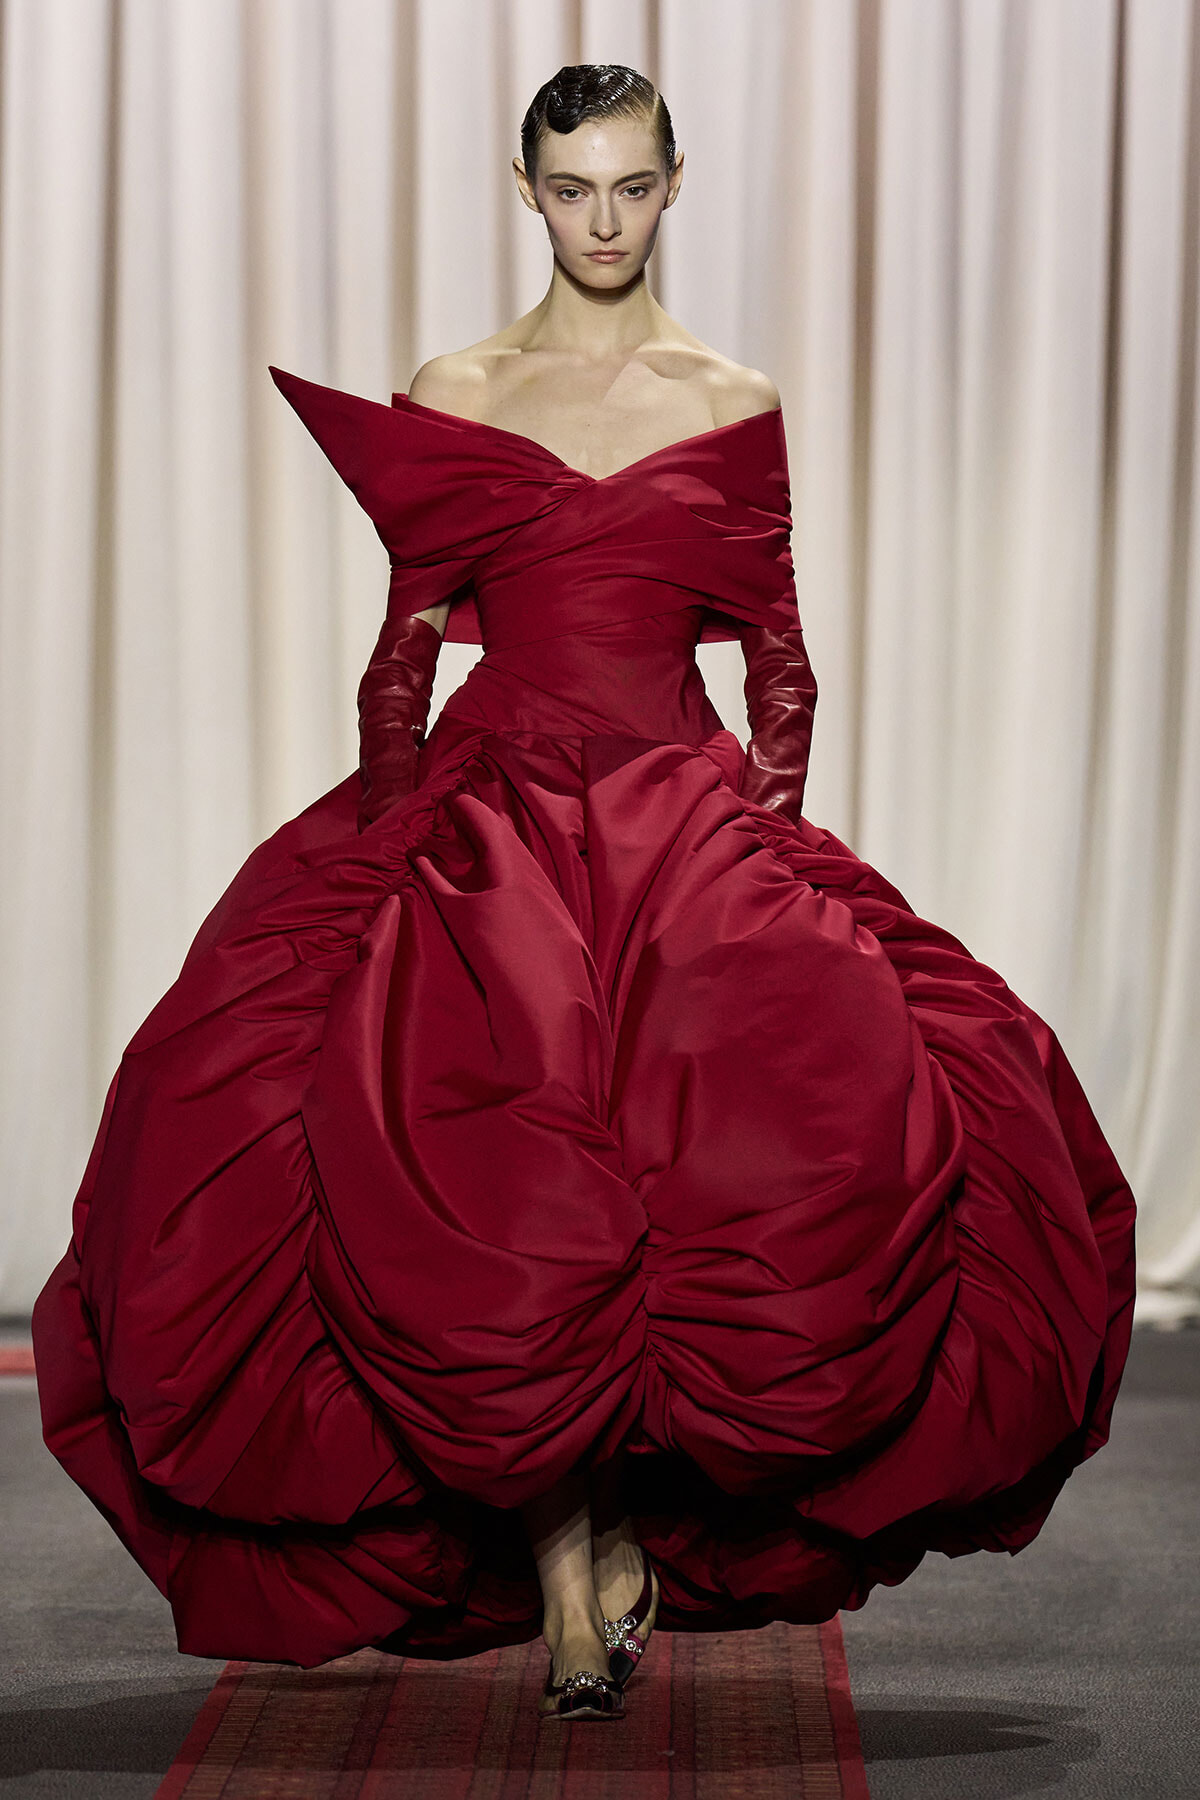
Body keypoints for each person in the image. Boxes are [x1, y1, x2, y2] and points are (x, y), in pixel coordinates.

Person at [31, 64, 1137, 1726]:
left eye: (631, 185)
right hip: (487, 821)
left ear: (675, 186)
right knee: (496, 1186)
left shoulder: (726, 392)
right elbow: (405, 648)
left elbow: (780, 660)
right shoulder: (460, 385)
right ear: (528, 192)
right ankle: (566, 1564)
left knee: (711, 1175)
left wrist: (753, 841)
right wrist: (391, 851)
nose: (603, 219)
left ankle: (606, 1540)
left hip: (681, 811)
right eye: (573, 189)